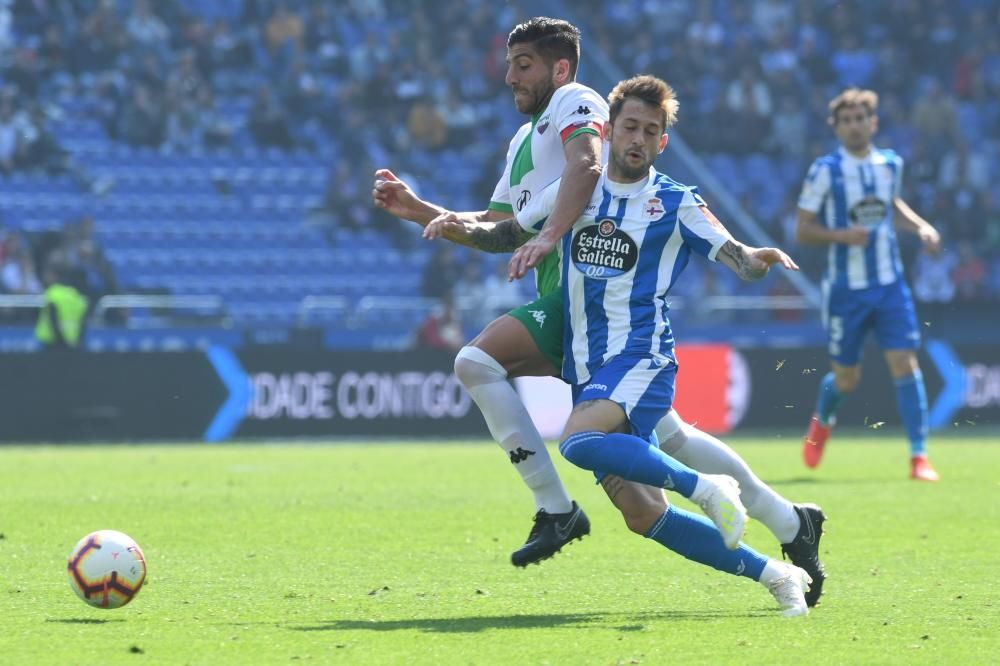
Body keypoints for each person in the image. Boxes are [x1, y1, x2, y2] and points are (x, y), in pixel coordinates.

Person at [374, 18, 827, 607]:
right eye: (630, 128)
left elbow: (730, 251)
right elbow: (504, 230)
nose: (637, 139)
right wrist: (420, 212)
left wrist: (753, 259)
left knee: (500, 380)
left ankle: (574, 505)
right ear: (615, 131)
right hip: (591, 359)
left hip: (640, 354)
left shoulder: (654, 183)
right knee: (645, 509)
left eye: (650, 130)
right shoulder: (566, 182)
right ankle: (780, 563)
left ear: (661, 140)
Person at [796, 88, 943, 482]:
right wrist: (842, 236)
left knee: (904, 362)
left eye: (861, 118)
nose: (854, 126)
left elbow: (891, 205)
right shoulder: (825, 170)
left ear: (873, 123)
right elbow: (803, 230)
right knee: (847, 378)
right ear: (836, 127)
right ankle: (822, 422)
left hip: (890, 283)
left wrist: (921, 227)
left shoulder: (890, 165)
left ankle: (919, 457)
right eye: (846, 120)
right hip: (846, 290)